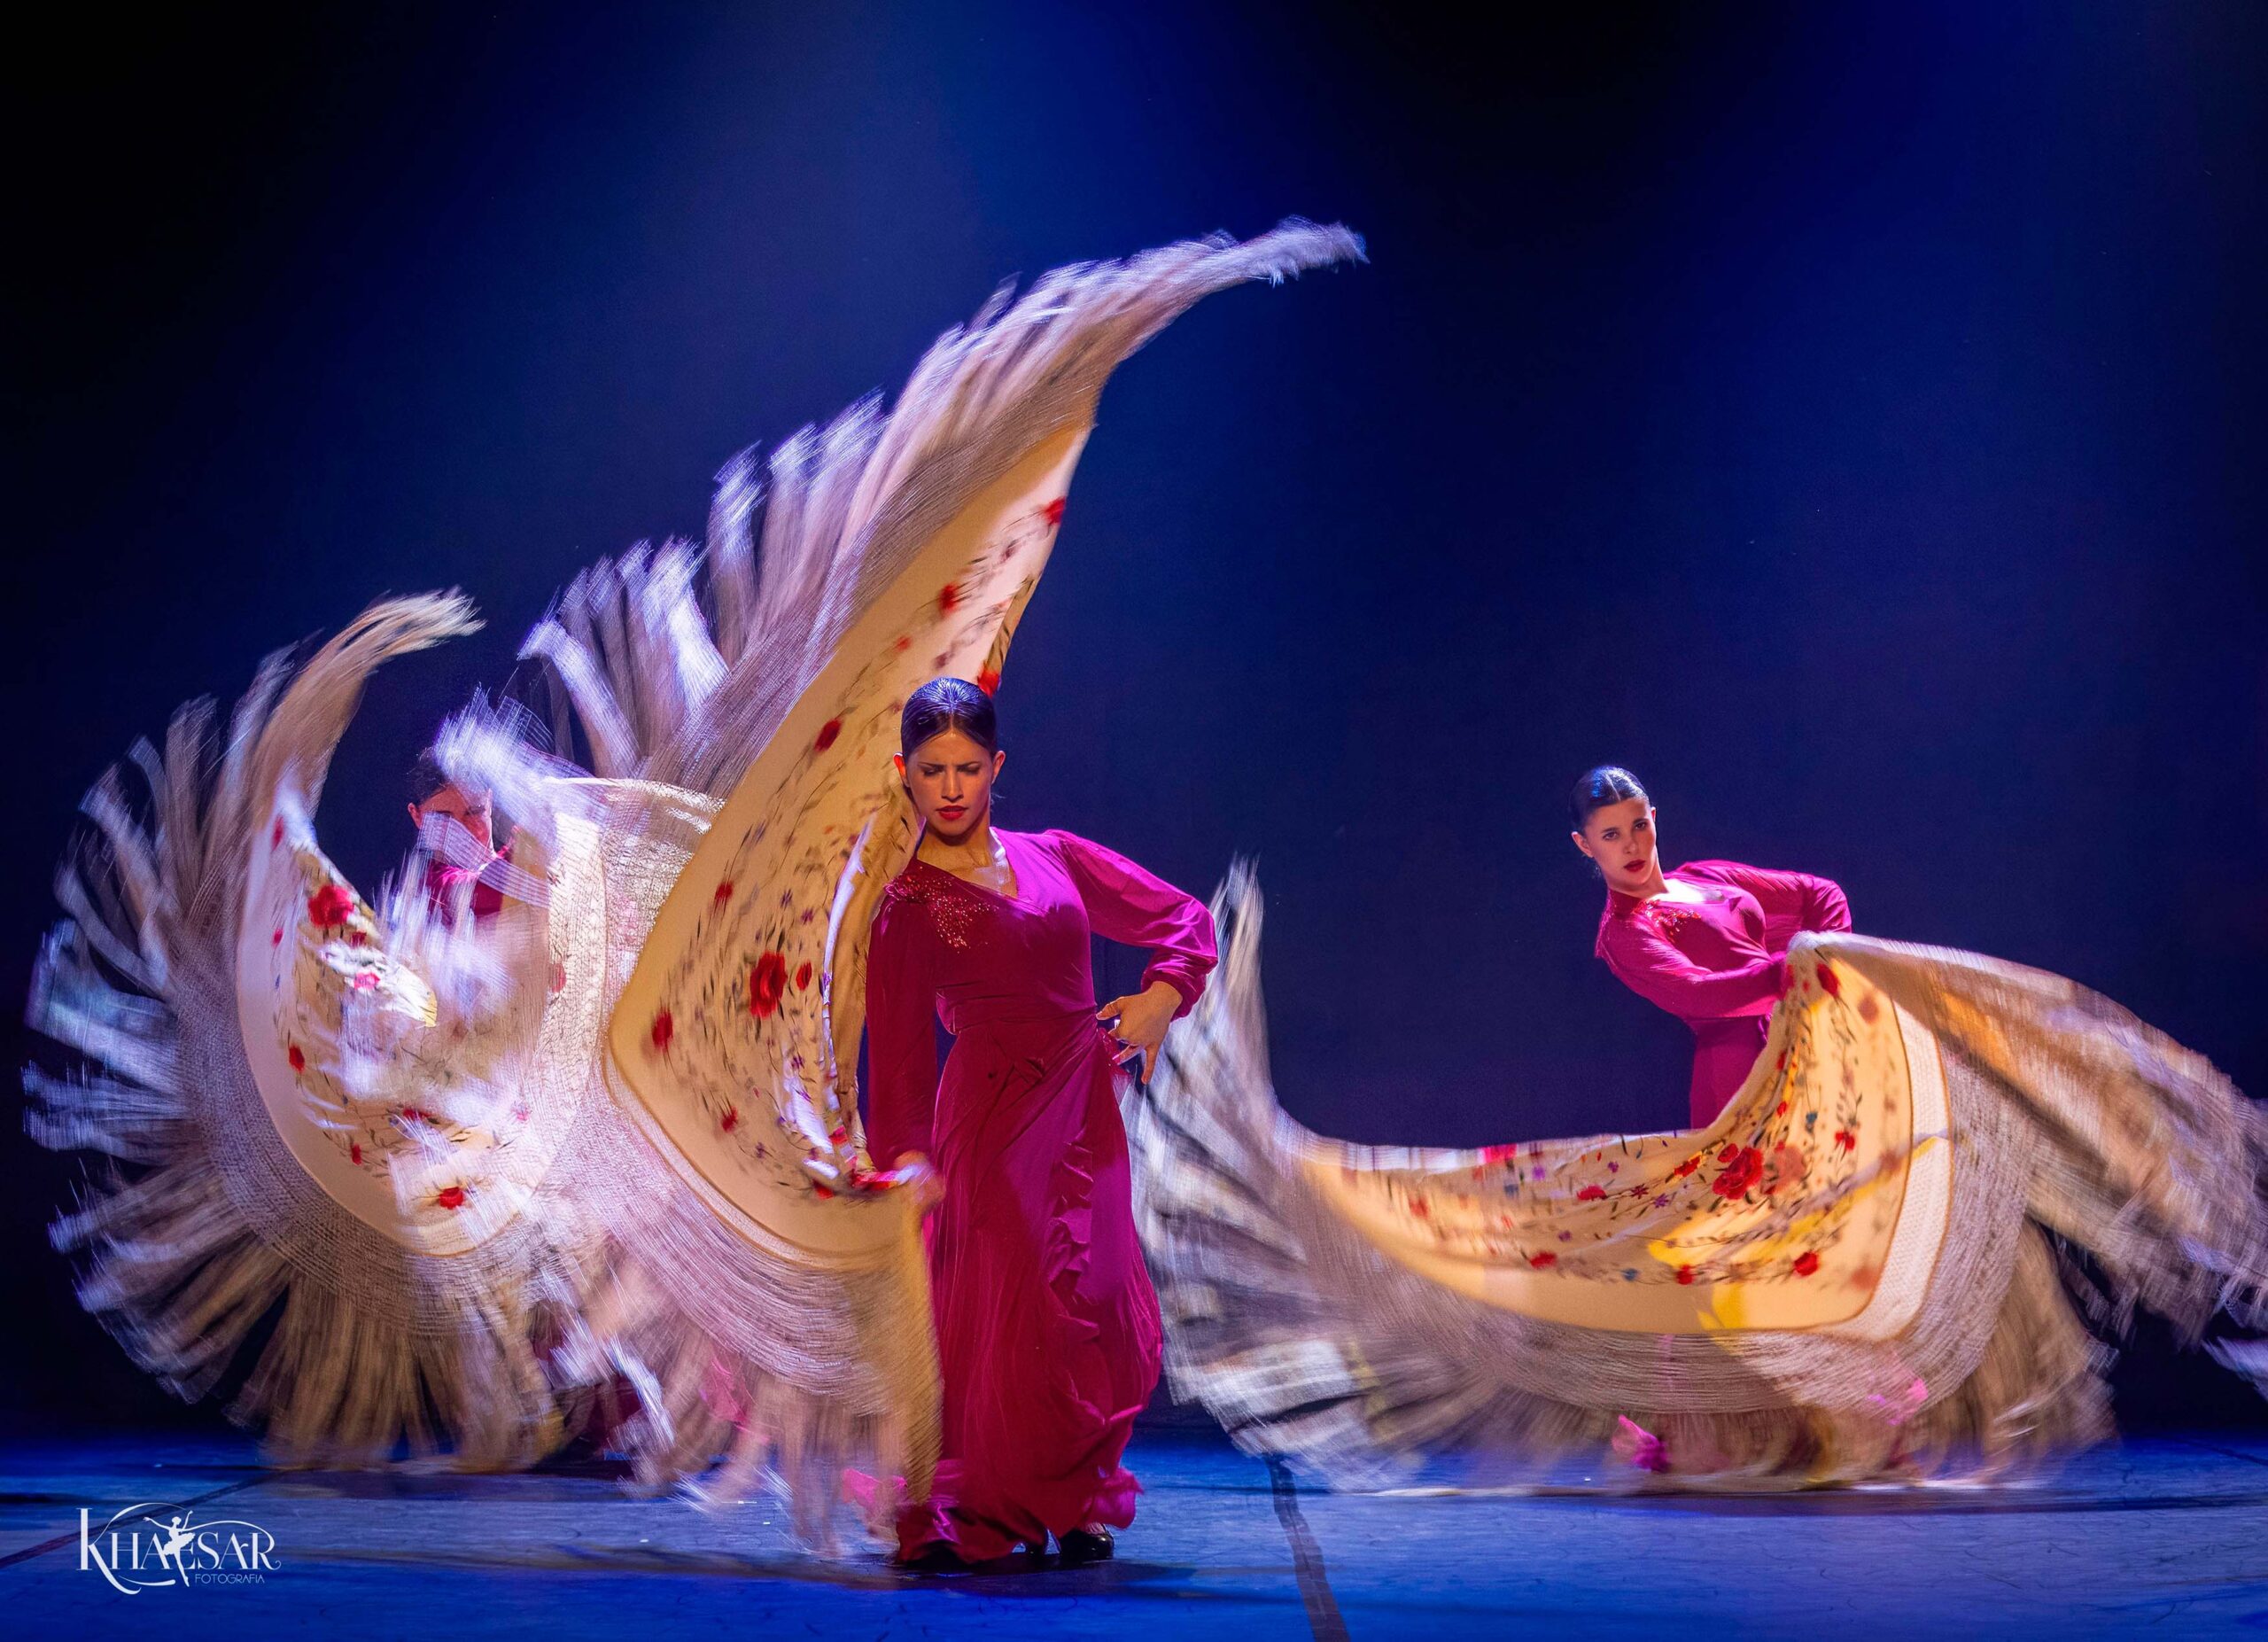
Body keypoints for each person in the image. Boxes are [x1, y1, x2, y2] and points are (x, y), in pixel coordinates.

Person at [863, 677, 1216, 1566]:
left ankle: (1073, 1492)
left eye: (968, 768)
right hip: (986, 1121)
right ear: (903, 772)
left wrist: (1162, 995)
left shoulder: (1053, 853)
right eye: (933, 769)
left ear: (996, 767)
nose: (950, 787)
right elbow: (901, 1053)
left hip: (1084, 1103)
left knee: (1092, 1300)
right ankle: (975, 1505)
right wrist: (901, 1165)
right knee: (1015, 1307)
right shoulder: (904, 904)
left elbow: (1183, 915)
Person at [1573, 766, 1851, 1126]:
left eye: (1639, 825)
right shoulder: (1623, 931)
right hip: (1740, 1070)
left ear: (1653, 818)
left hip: (1806, 1035)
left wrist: (1823, 963)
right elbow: (1697, 992)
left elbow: (1820, 895)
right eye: (1611, 835)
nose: (1631, 844)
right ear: (1585, 844)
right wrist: (1795, 974)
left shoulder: (1703, 874)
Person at [406, 749, 548, 923]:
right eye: (443, 818)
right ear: (417, 816)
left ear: (489, 801)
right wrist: (533, 831)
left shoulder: (539, 861)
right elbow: (486, 889)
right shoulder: (431, 890)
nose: (461, 830)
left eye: (474, 812)